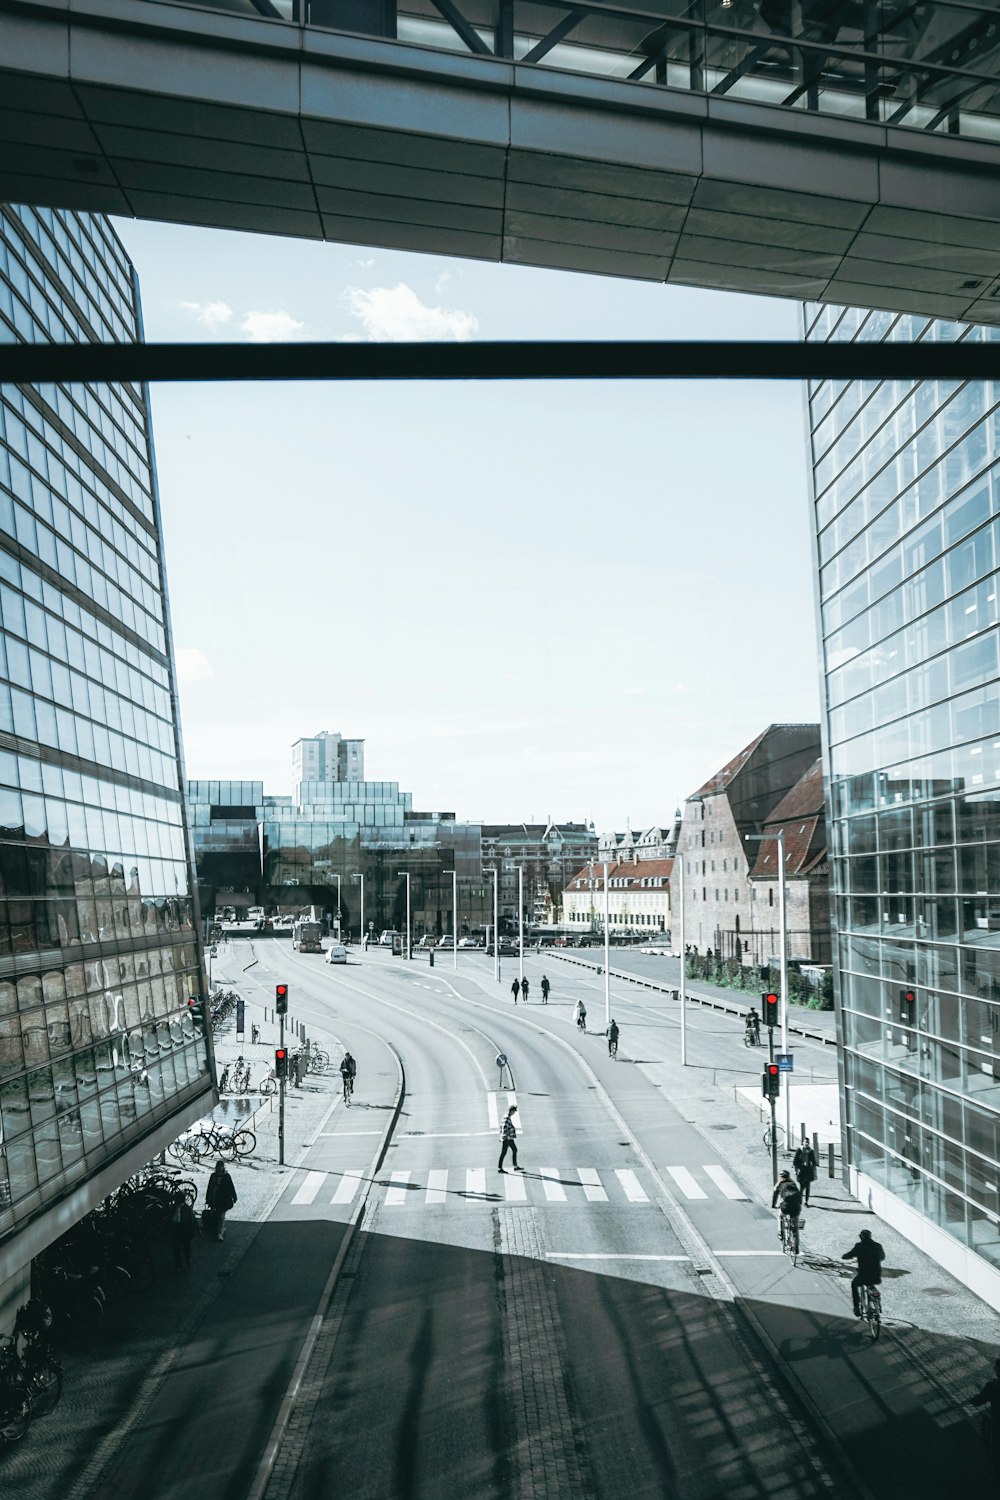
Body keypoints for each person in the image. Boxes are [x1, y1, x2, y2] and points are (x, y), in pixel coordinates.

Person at [842, 1228, 885, 1316]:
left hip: (863, 1275)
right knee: (870, 1284)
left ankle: (857, 1307)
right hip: (876, 1275)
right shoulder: (877, 1245)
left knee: (854, 1284)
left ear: (861, 1237)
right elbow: (882, 1257)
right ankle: (876, 1303)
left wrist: (844, 1256)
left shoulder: (859, 1246)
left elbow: (849, 1255)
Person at [971, 1357, 1000, 1473]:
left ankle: (995, 1472)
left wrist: (972, 1400)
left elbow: (978, 1401)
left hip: (997, 1422)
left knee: (995, 1447)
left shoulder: (993, 1386)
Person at [205, 1160, 237, 1242]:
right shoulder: (213, 1176)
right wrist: (208, 1199)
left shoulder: (226, 1176)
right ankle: (221, 1228)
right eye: (218, 1166)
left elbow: (231, 1187)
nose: (219, 1168)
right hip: (215, 1199)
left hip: (224, 1200)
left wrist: (234, 1196)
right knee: (218, 1215)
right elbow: (209, 1188)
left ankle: (219, 1233)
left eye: (221, 1166)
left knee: (221, 1215)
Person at [771, 1169, 803, 1239]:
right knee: (795, 1219)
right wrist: (799, 1204)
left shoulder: (779, 1184)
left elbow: (775, 1195)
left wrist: (773, 1205)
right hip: (796, 1207)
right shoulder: (793, 1183)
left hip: (786, 1207)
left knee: (780, 1215)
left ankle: (780, 1232)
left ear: (781, 1177)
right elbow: (799, 1196)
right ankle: (795, 1235)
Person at [170, 1196, 197, 1270]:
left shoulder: (175, 1208)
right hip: (184, 1232)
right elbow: (193, 1220)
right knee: (184, 1247)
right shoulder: (187, 1209)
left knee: (180, 1248)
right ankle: (185, 1262)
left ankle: (180, 1264)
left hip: (181, 1232)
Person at [793, 1139, 819, 1205]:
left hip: (808, 1170)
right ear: (803, 1143)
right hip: (801, 1170)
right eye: (805, 1142)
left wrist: (814, 1171)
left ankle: (806, 1201)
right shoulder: (799, 1150)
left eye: (807, 1142)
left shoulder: (811, 1151)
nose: (806, 1143)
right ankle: (800, 1199)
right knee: (802, 1186)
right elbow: (795, 1161)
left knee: (807, 1186)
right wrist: (796, 1169)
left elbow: (813, 1162)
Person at [497, 1105, 521, 1173]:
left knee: (514, 1150)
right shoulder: (507, 1118)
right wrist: (506, 1135)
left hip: (508, 1137)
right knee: (504, 1153)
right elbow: (504, 1127)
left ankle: (515, 1166)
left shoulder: (506, 1116)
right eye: (514, 1112)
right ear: (511, 1111)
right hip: (507, 1138)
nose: (514, 1113)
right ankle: (500, 1168)